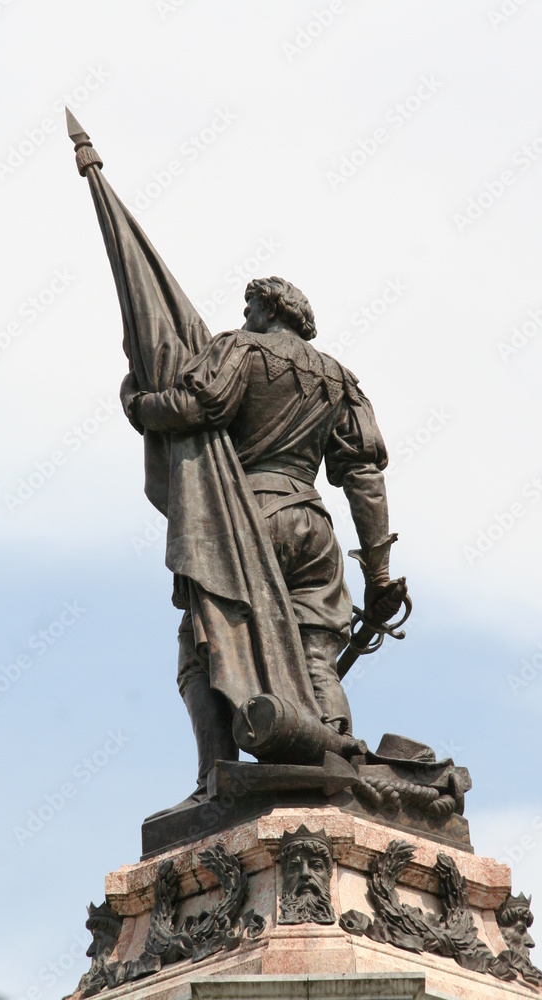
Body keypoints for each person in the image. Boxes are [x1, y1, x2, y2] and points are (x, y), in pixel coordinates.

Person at [121, 277, 406, 802]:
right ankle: (335, 763)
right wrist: (380, 575)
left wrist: (140, 406)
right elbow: (364, 473)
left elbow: (199, 405)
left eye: (250, 304)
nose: (245, 313)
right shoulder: (341, 380)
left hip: (246, 521)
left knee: (200, 647)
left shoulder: (241, 348)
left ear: (271, 308)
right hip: (314, 528)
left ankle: (214, 781)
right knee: (316, 655)